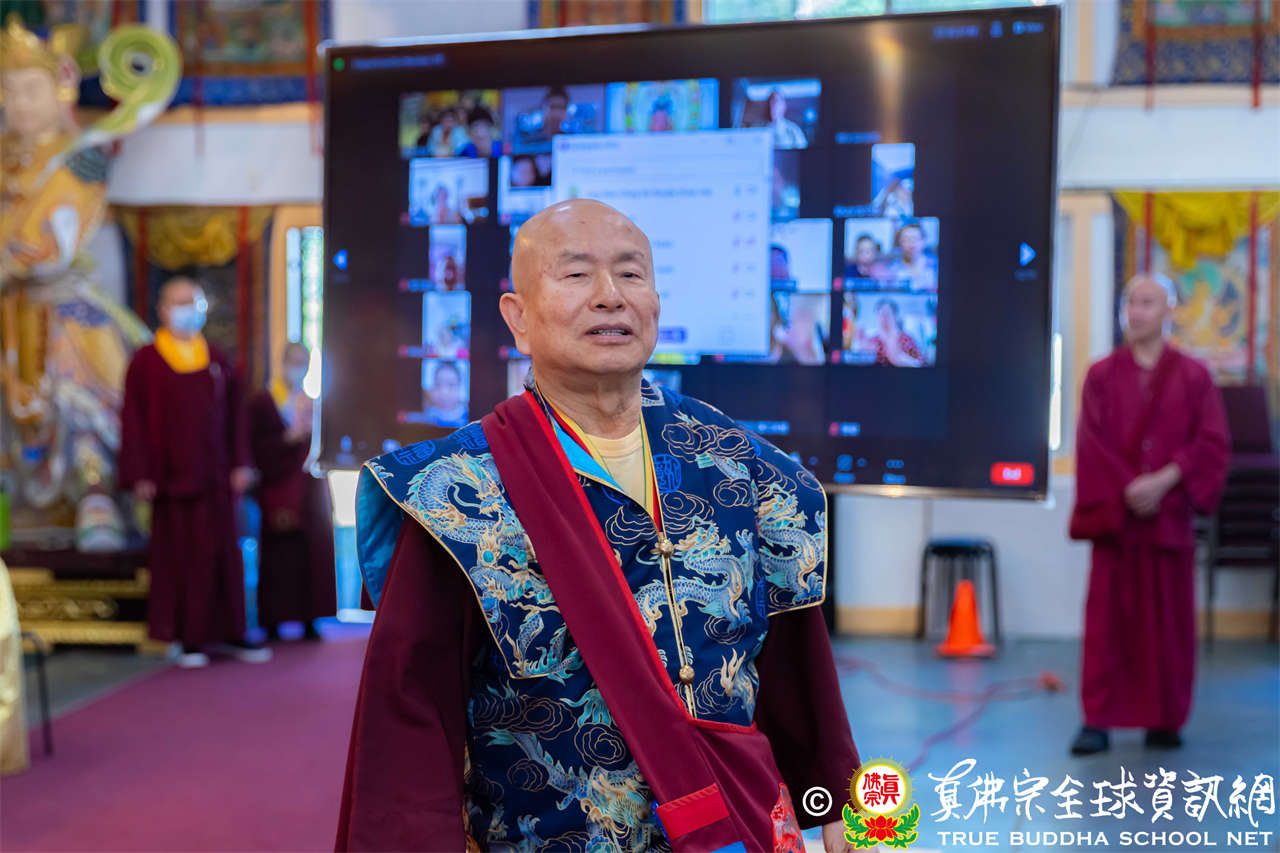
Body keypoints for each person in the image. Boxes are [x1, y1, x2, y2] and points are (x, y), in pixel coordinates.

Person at [338, 200, 859, 852]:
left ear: (656, 304)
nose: (610, 295)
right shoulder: (456, 493)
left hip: (736, 829)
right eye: (577, 274)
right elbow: (409, 714)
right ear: (518, 317)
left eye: (631, 274)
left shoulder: (739, 463)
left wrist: (837, 798)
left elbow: (797, 662)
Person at [1068, 272, 1229, 755]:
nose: (1135, 312)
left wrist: (1165, 479)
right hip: (1117, 523)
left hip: (1167, 520)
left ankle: (1165, 719)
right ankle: (1097, 720)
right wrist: (1129, 488)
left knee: (1169, 628)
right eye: (1130, 302)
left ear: (1168, 311)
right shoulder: (1101, 375)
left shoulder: (1194, 377)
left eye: (1147, 303)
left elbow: (1211, 442)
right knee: (1107, 627)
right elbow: (1091, 443)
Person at [118, 277, 269, 668]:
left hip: (215, 477)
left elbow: (236, 417)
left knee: (224, 557)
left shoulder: (216, 358)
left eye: (194, 302)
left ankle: (233, 633)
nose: (188, 310)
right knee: (180, 559)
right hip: (170, 479)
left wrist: (241, 463)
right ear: (163, 309)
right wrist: (140, 474)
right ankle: (187, 638)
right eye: (180, 302)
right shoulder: (146, 361)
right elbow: (132, 419)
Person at [247, 343, 336, 643]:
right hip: (277, 486)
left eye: (303, 362)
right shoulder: (264, 401)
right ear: (282, 362)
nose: (297, 368)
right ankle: (273, 622)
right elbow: (254, 445)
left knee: (310, 554)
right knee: (278, 556)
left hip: (307, 487)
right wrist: (286, 439)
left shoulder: (309, 401)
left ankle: (310, 619)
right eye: (293, 361)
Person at [868, 298, 924, 367]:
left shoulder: (906, 340)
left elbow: (921, 363)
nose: (883, 318)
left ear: (895, 316)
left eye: (886, 314)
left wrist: (901, 359)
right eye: (879, 314)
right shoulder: (872, 341)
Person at [886, 222, 937, 292]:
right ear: (900, 243)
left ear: (924, 241)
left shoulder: (935, 264)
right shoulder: (893, 268)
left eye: (916, 238)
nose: (912, 243)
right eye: (907, 239)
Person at [422, 360, 467, 427]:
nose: (443, 392)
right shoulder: (426, 416)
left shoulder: (467, 416)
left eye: (451, 385)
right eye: (438, 384)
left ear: (460, 387)